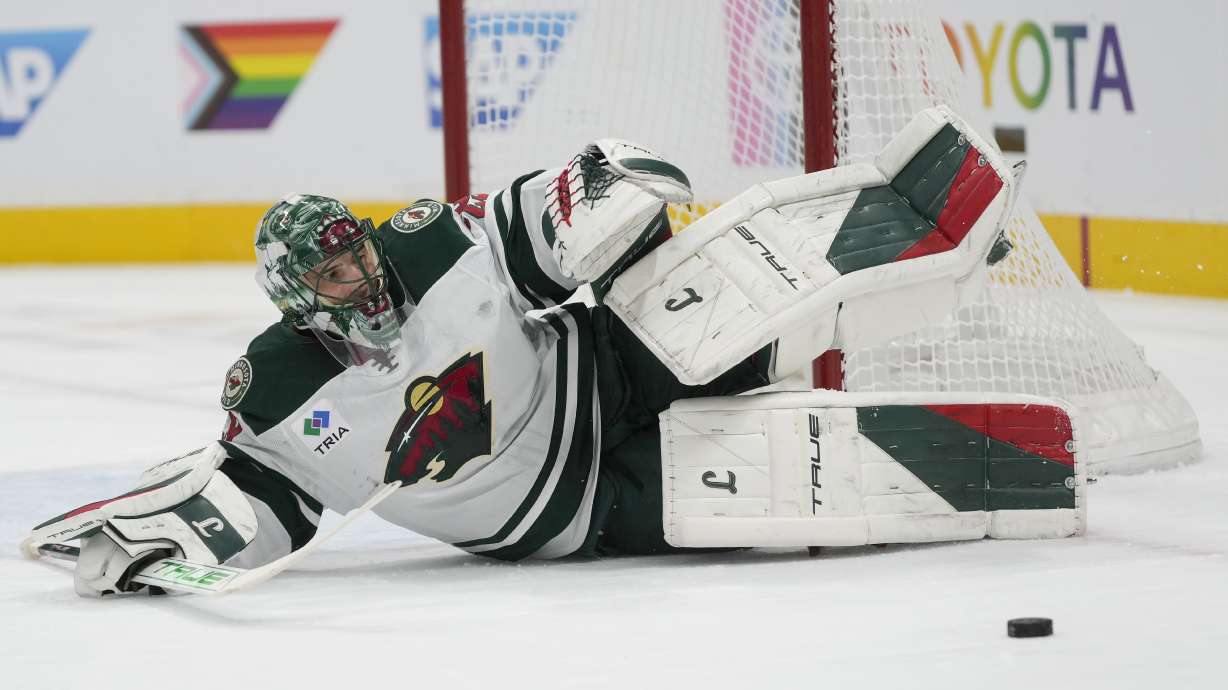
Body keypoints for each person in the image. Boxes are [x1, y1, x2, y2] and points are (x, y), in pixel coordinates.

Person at [30, 108, 1086, 597]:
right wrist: (167, 544)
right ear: (297, 296)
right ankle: (1012, 468)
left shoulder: (423, 243)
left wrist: (604, 187)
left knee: (743, 302)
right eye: (336, 273)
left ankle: (941, 243)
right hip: (569, 509)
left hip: (602, 363)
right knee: (794, 474)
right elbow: (251, 498)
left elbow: (531, 223)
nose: (361, 276)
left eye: (357, 253)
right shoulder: (277, 389)